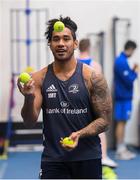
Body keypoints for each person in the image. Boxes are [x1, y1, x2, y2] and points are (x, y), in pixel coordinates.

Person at [17, 16, 112, 179]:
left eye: (66, 38)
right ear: (50, 44)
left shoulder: (93, 78)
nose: (61, 43)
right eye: (56, 39)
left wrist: (79, 134)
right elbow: (29, 121)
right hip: (53, 160)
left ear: (75, 43)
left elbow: (105, 121)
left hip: (88, 158)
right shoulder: (39, 78)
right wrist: (29, 98)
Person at [78, 38, 118, 168]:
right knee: (100, 128)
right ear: (89, 47)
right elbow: (100, 86)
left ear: (78, 47)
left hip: (77, 102)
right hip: (91, 101)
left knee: (77, 129)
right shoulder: (95, 65)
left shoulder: (73, 63)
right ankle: (104, 157)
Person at [114, 40, 139, 160]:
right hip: (123, 97)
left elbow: (127, 76)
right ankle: (120, 150)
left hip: (124, 97)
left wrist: (132, 70)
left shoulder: (122, 61)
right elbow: (128, 80)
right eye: (133, 51)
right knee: (121, 122)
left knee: (122, 122)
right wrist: (136, 72)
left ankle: (122, 147)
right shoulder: (120, 61)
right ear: (130, 49)